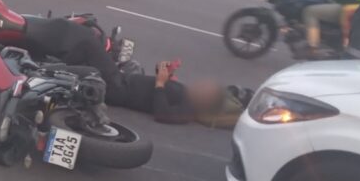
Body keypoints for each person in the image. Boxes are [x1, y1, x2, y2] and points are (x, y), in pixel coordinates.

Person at [105, 61, 251, 128]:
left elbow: (162, 114)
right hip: (123, 78)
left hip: (120, 89)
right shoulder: (187, 95)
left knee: (92, 42)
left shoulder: (188, 111)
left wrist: (160, 83)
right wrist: (165, 74)